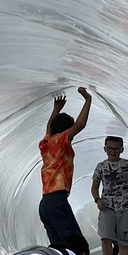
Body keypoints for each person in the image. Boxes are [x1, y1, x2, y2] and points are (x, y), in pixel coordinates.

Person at [37, 87, 92, 244]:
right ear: (66, 131)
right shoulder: (61, 141)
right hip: (57, 200)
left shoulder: (45, 143)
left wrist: (56, 109)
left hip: (45, 204)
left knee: (58, 246)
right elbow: (80, 125)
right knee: (77, 245)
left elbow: (49, 128)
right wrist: (88, 99)